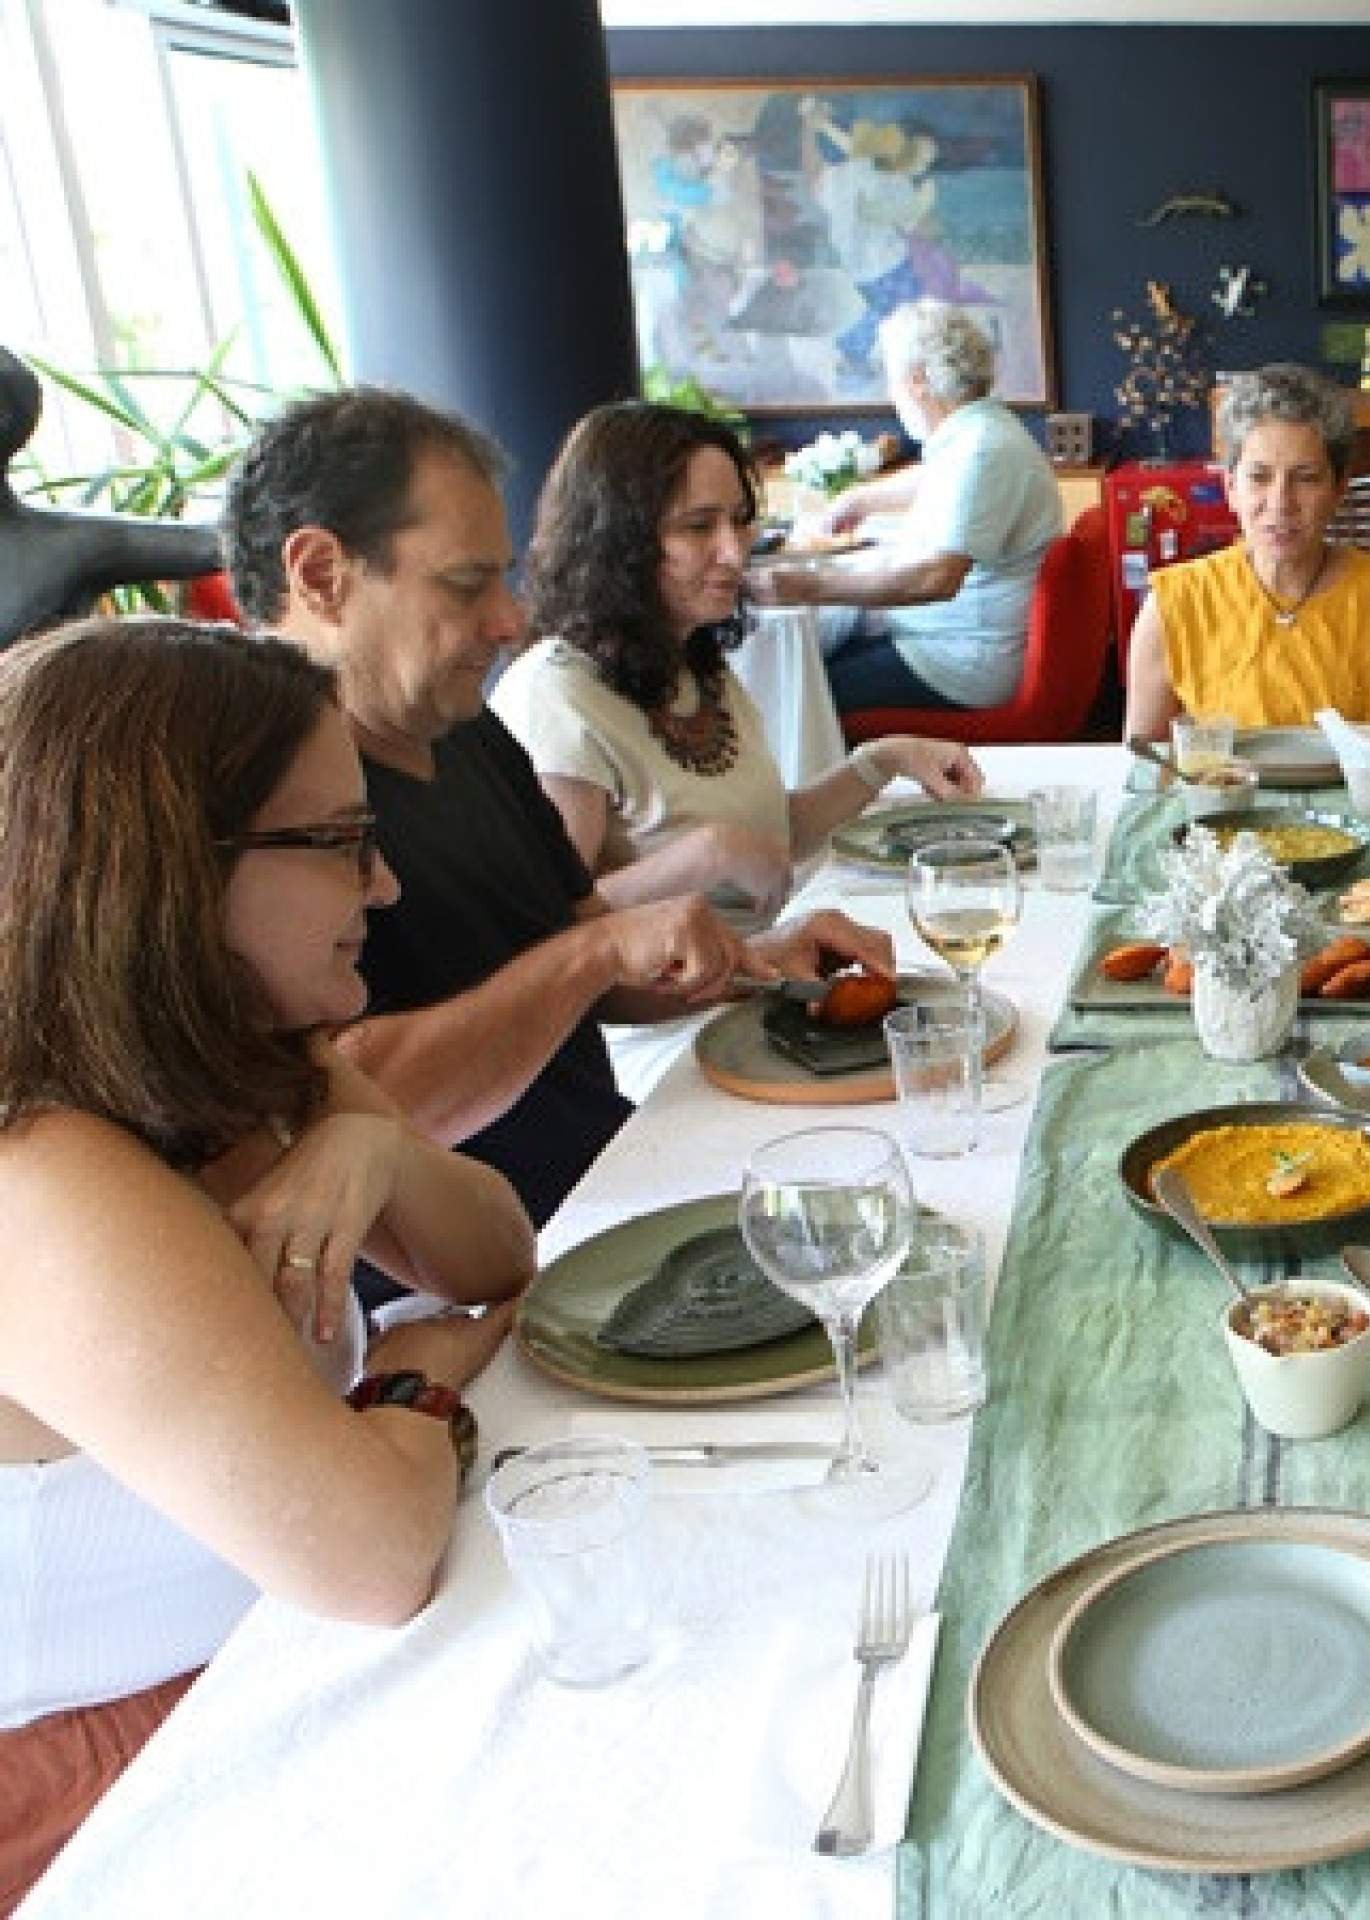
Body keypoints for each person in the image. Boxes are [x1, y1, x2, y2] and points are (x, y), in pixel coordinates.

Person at [0, 620, 534, 1905]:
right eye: (342, 840)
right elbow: (370, 1557)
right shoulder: (42, 1177)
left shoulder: (253, 1053)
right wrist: (410, 1376)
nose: (383, 887)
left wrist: (373, 1147)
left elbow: (497, 1252)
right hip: (115, 1769)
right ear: (167, 869)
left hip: (282, 1652)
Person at [222, 387, 891, 1225]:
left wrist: (754, 965)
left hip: (612, 1175)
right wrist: (596, 953)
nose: (510, 620)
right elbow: (339, 1106)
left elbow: (591, 966)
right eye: (467, 584)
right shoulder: (247, 807)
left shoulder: (465, 731)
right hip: (465, 1263)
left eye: (501, 580)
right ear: (322, 576)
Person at [499, 401, 981, 922]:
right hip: (691, 978)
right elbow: (550, 926)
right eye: (699, 526)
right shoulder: (556, 695)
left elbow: (775, 834)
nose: (734, 552)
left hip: (761, 958)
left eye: (739, 521)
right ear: (617, 540)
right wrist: (708, 854)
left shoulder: (689, 658)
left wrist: (886, 759)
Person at [746, 300, 1062, 712]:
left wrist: (805, 585)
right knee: (804, 662)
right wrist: (858, 499)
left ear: (917, 381)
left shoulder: (981, 449)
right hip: (943, 642)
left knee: (792, 696)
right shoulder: (982, 431)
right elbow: (935, 478)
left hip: (958, 663)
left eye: (891, 382)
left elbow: (936, 579)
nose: (892, 396)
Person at [1122, 362, 1370, 740]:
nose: (1281, 503)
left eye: (1306, 478)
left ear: (1339, 490)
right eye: (1259, 477)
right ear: (1231, 488)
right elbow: (1145, 755)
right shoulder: (1173, 606)